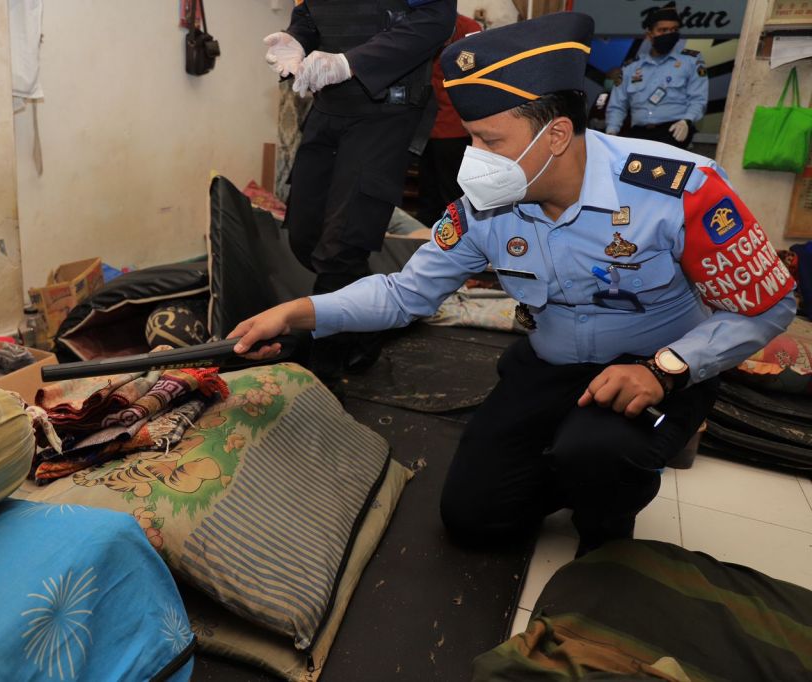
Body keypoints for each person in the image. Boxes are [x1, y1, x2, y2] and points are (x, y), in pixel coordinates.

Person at [233, 11, 797, 556]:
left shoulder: (677, 190)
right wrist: (296, 312)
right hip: (550, 364)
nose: (474, 159)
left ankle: (605, 512)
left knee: (599, 454)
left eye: (490, 141)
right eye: (471, 140)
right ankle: (572, 465)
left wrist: (666, 369)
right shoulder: (486, 207)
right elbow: (405, 293)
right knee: (473, 519)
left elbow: (769, 306)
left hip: (652, 369)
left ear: (556, 135)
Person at [262, 0, 456, 379]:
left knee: (341, 247)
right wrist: (297, 39)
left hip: (385, 111)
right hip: (329, 107)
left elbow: (435, 20)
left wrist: (351, 63)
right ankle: (370, 318)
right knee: (305, 236)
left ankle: (324, 371)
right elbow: (310, 14)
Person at [605, 2, 708, 149]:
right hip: (639, 134)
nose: (669, 34)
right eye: (663, 30)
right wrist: (611, 132)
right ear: (649, 35)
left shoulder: (691, 61)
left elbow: (698, 99)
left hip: (674, 131)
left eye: (674, 30)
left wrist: (687, 121)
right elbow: (617, 105)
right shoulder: (631, 67)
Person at [417, 13, 482, 227]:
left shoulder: (467, 29)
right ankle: (428, 239)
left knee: (448, 197)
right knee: (431, 195)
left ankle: (450, 239)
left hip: (451, 128)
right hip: (429, 128)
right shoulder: (425, 24)